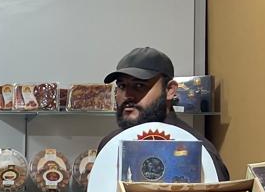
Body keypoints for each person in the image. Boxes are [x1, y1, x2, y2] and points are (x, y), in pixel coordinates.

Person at [98, 46, 230, 180]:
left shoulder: (199, 152)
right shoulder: (109, 144)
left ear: (170, 90)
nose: (127, 95)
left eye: (139, 86)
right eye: (122, 86)